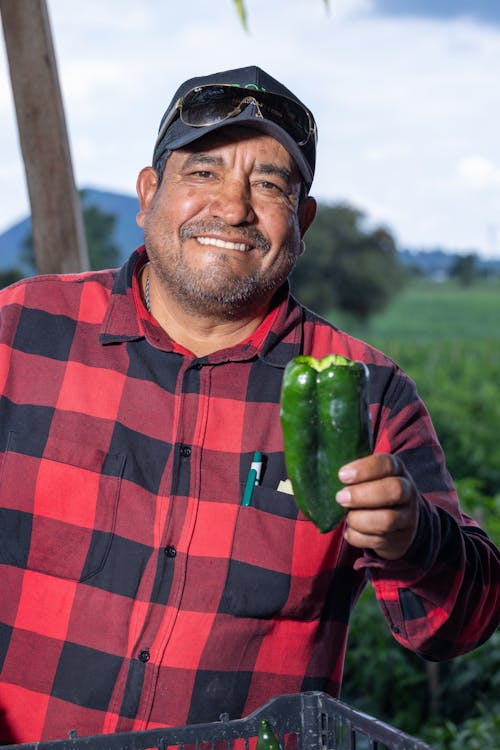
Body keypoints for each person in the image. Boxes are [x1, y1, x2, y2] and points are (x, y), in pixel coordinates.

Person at [0, 65, 498, 746]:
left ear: (303, 221)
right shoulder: (20, 331)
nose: (232, 208)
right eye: (203, 173)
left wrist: (417, 541)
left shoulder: (368, 393)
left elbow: (461, 627)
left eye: (268, 184)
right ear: (149, 194)